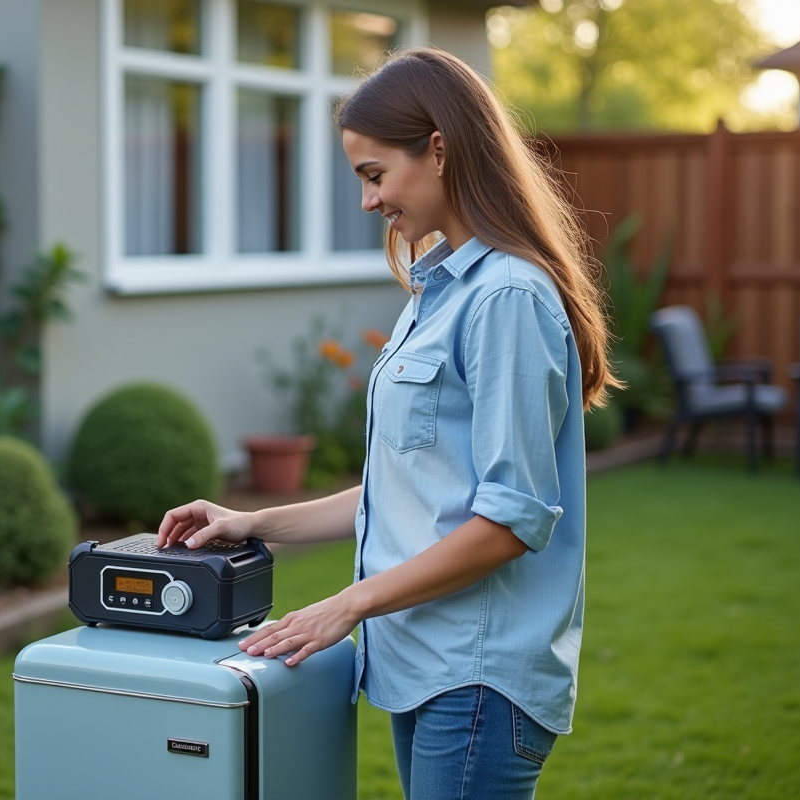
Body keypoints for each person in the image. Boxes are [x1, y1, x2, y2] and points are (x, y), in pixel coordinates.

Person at [157, 46, 618, 800]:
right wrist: (254, 521)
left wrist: (348, 604)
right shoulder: (438, 292)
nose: (369, 201)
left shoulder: (505, 298)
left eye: (375, 175)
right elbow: (403, 485)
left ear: (438, 149)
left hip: (474, 677)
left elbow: (510, 521)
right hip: (426, 667)